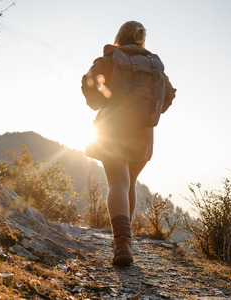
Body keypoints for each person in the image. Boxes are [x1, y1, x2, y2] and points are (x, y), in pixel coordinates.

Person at [81, 21, 176, 266]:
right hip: (144, 133)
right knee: (130, 182)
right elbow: (169, 93)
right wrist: (151, 112)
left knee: (117, 182)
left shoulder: (111, 58)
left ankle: (122, 242)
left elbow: (88, 80)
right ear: (141, 40)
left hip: (113, 126)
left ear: (119, 39)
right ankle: (126, 240)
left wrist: (99, 102)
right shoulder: (155, 65)